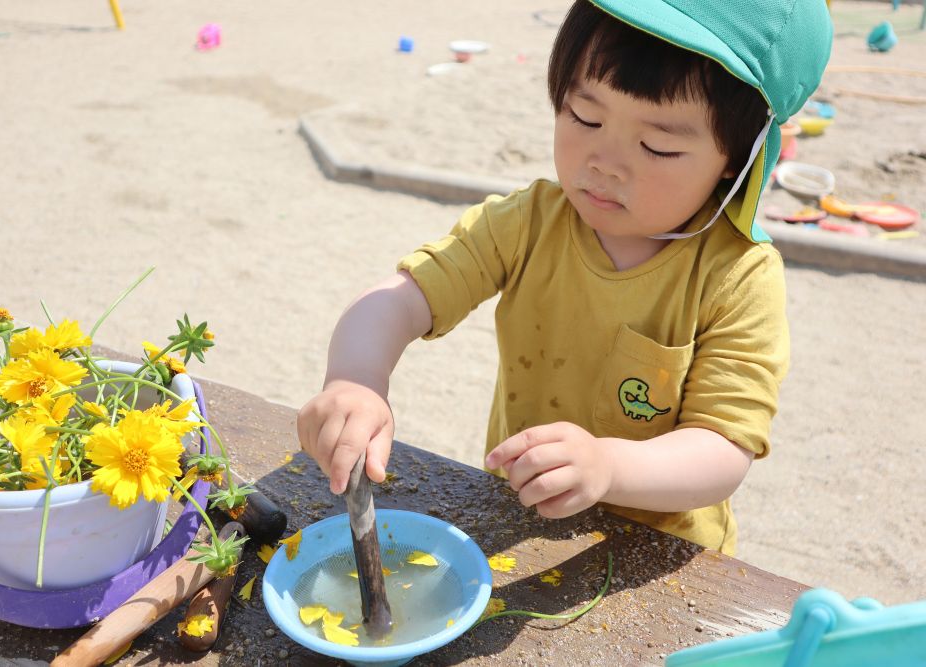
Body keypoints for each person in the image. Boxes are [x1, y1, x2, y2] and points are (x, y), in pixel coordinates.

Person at [298, 0, 832, 554]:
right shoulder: (530, 223)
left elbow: (723, 449)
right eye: (585, 116)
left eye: (658, 146)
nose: (604, 162)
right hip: (519, 522)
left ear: (737, 158)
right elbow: (400, 298)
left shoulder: (736, 275)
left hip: (657, 552)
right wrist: (355, 382)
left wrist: (609, 466)